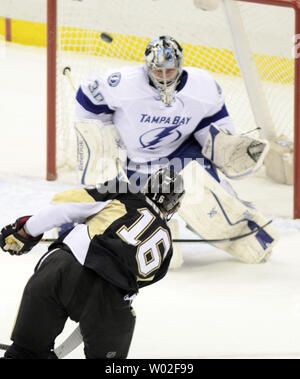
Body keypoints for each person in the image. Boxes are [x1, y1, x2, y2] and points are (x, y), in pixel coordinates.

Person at [73, 35, 278, 264]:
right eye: (157, 71)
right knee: (129, 217)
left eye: (168, 71)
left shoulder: (203, 86)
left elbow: (212, 126)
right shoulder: (122, 84)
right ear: (147, 67)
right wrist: (105, 139)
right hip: (135, 163)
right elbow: (87, 97)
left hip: (181, 156)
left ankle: (245, 235)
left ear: (179, 66)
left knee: (207, 200)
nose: (162, 76)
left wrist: (225, 145)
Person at [0, 167, 185, 359]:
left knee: (24, 353)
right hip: (109, 298)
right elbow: (116, 290)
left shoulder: (122, 191)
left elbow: (65, 204)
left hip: (61, 268)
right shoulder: (167, 247)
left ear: (146, 187)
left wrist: (28, 230)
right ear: (174, 208)